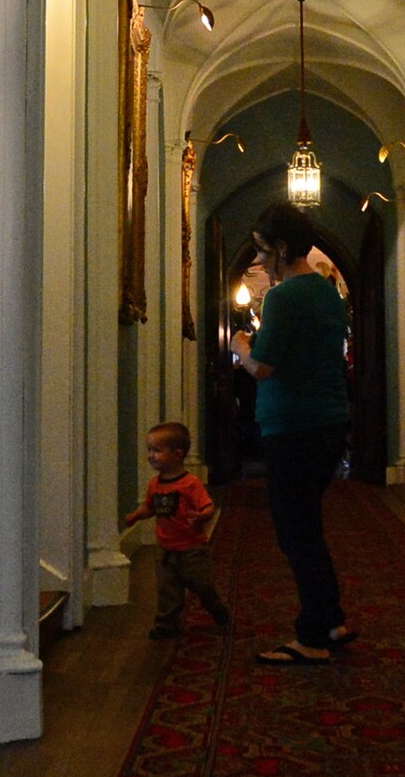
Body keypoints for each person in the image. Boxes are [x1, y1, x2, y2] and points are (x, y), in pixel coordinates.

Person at [228, 203, 355, 665]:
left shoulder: (283, 298)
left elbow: (264, 366)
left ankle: (313, 636)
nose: (258, 260)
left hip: (293, 428)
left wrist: (241, 346)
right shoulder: (326, 292)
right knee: (309, 527)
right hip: (328, 422)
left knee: (295, 532)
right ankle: (331, 619)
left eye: (262, 251)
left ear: (281, 248)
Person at [123, 421, 230, 640]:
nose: (151, 455)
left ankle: (217, 608)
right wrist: (136, 516)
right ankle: (165, 625)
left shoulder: (190, 484)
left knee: (202, 585)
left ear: (177, 454)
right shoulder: (155, 484)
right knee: (167, 590)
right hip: (165, 550)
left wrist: (202, 516)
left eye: (157, 450)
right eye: (149, 450)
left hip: (192, 549)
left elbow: (208, 506)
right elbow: (151, 507)